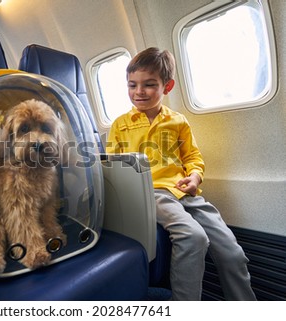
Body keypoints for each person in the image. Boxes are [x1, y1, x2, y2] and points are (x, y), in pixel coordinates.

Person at [106, 47, 256, 301]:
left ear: (167, 86)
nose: (139, 91)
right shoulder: (121, 125)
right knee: (193, 237)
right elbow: (111, 166)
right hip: (151, 192)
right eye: (132, 85)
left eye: (149, 84)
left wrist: (195, 177)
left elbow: (192, 158)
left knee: (232, 251)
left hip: (187, 192)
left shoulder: (178, 121)